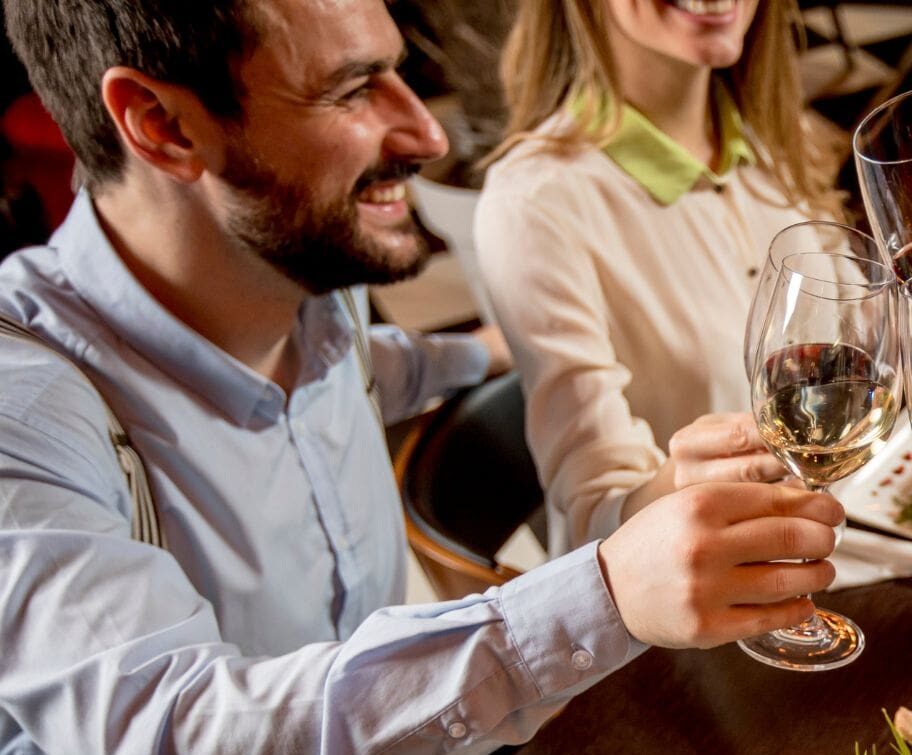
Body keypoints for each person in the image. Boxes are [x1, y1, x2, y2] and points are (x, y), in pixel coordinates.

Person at [0, 0, 841, 751]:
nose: (426, 135)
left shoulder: (302, 290)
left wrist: (492, 346)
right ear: (162, 125)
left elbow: (378, 369)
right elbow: (172, 727)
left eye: (397, 71)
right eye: (352, 89)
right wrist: (607, 592)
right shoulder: (25, 410)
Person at [473, 0, 912, 551]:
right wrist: (689, 479)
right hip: (715, 611)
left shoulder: (784, 135)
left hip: (854, 543)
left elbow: (875, 345)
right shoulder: (534, 205)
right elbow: (598, 519)